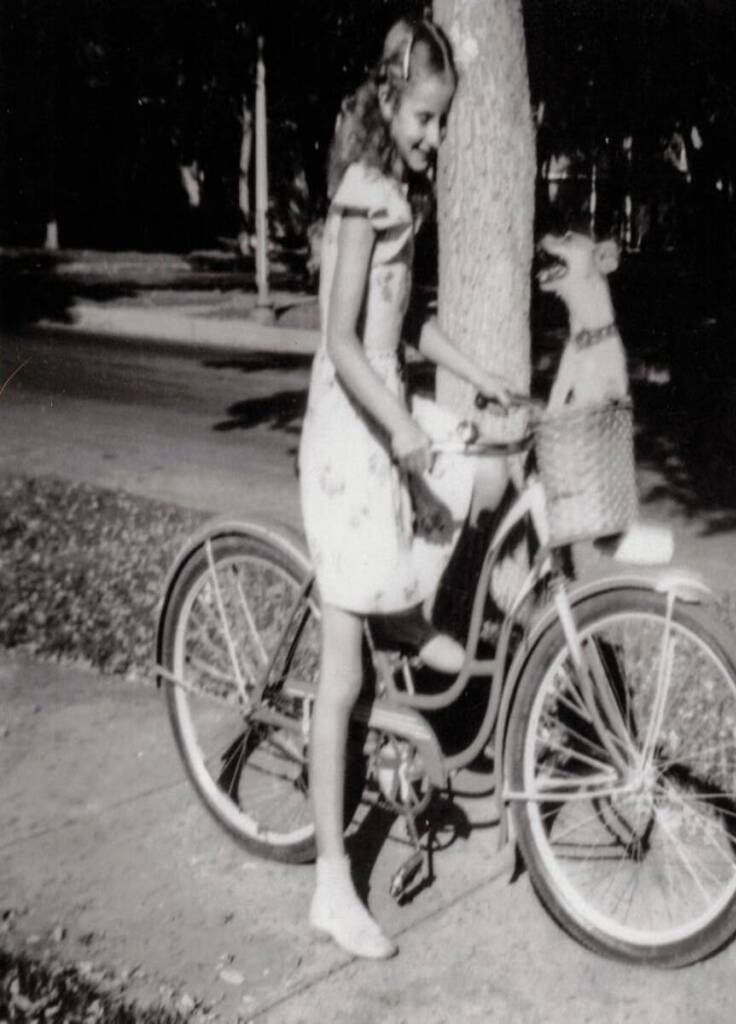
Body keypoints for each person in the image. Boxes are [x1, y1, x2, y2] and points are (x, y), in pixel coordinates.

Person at [299, 17, 510, 959]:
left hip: (383, 410)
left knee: (475, 470)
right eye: (425, 117)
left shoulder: (400, 197)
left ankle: (403, 618)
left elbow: (408, 322)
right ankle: (330, 886)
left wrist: (480, 373)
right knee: (342, 680)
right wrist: (400, 430)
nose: (435, 134)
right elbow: (343, 341)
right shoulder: (361, 195)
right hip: (351, 429)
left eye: (443, 120)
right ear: (388, 100)